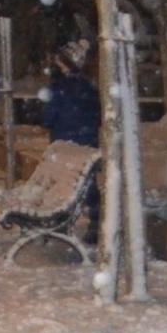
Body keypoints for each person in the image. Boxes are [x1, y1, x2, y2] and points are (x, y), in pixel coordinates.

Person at [41, 39, 102, 241]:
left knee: (63, 182)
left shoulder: (58, 90)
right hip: (86, 145)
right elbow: (97, 116)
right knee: (87, 181)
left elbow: (47, 118)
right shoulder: (89, 90)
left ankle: (61, 219)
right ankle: (96, 218)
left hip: (63, 144)